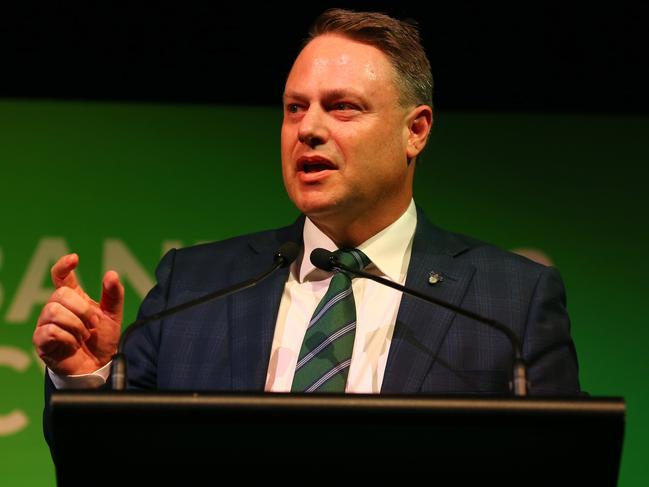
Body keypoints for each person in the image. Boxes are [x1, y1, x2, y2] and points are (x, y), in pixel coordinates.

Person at [34, 9, 580, 412]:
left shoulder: (509, 305)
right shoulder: (194, 288)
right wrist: (88, 380)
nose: (309, 129)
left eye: (342, 107)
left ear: (415, 131)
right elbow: (118, 465)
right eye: (295, 108)